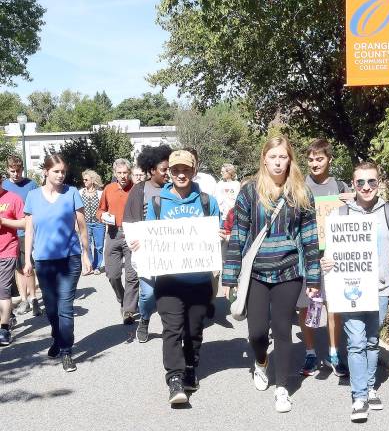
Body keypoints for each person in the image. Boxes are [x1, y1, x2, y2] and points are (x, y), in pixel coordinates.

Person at [222, 136, 321, 413]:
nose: (278, 162)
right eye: (273, 157)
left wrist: (313, 279)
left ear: (290, 160)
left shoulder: (301, 193)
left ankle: (282, 388)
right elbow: (238, 235)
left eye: (283, 157)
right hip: (256, 274)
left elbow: (310, 239)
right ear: (264, 159)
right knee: (256, 333)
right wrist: (229, 277)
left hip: (289, 272)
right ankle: (261, 361)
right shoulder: (250, 192)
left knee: (282, 329)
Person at [321, 162, 389, 422]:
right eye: (360, 182)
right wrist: (326, 262)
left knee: (372, 340)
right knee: (357, 342)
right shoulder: (338, 216)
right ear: (353, 183)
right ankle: (359, 396)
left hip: (381, 290)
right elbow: (330, 255)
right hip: (350, 290)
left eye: (371, 181)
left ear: (379, 182)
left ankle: (371, 386)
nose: (366, 187)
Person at [142, 150, 220, 405]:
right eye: (175, 170)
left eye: (186, 169)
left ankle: (190, 366)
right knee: (172, 330)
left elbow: (217, 232)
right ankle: (175, 378)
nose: (181, 174)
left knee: (194, 331)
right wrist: (139, 243)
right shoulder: (158, 202)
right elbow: (149, 236)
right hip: (168, 281)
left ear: (194, 171)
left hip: (199, 281)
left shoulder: (207, 201)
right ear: (169, 172)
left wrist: (219, 237)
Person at [23, 154, 91, 372]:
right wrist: (27, 260)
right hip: (43, 260)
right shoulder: (33, 196)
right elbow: (29, 230)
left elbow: (82, 226)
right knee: (51, 308)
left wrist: (86, 253)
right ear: (46, 171)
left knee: (65, 307)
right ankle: (57, 337)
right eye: (56, 171)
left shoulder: (71, 193)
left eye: (63, 171)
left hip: (69, 259)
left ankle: (66, 351)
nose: (61, 175)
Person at [296, 138, 353, 377]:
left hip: (332, 257)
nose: (314, 164)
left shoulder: (339, 187)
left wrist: (353, 202)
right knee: (305, 306)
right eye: (310, 159)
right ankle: (310, 354)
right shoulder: (298, 186)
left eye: (319, 159)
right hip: (304, 256)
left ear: (329, 159)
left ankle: (333, 353)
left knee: (334, 306)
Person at [123, 145, 172, 342]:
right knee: (148, 293)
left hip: (170, 251)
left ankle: (172, 328)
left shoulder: (175, 189)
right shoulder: (139, 189)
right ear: (151, 170)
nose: (168, 174)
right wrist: (133, 239)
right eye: (164, 169)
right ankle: (144, 319)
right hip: (145, 250)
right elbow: (129, 219)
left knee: (170, 292)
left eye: (170, 169)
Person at [96, 158, 139, 325]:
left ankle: (128, 310)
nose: (122, 176)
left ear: (129, 173)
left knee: (132, 274)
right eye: (119, 173)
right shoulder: (109, 189)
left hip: (131, 233)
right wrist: (102, 216)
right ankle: (122, 298)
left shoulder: (136, 189)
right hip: (113, 233)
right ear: (115, 173)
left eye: (125, 173)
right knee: (113, 274)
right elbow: (100, 210)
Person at [2, 155, 40, 316]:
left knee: (27, 265)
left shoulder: (31, 184)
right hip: (9, 234)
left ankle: (33, 298)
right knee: (17, 268)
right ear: (7, 170)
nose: (16, 174)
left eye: (18, 171)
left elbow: (38, 206)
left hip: (26, 231)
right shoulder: (3, 185)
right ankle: (23, 299)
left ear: (22, 169)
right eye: (12, 171)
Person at [0, 174, 25, 345]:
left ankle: (4, 328)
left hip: (7, 250)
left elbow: (24, 223)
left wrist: (3, 221)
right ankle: (9, 315)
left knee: (3, 290)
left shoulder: (13, 198)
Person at [80, 170, 105, 275]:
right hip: (85, 223)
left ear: (92, 180)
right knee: (86, 245)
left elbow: (104, 207)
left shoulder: (100, 193)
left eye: (86, 179)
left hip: (98, 223)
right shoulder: (80, 192)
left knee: (99, 246)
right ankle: (89, 265)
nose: (84, 181)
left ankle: (97, 266)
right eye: (83, 179)